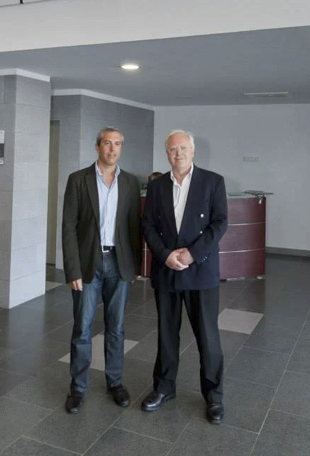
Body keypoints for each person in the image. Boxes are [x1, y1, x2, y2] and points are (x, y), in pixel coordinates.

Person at [141, 129, 228, 425]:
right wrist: (165, 254)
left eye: (183, 148)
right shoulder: (156, 187)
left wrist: (192, 254)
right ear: (167, 153)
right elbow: (148, 225)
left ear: (193, 151)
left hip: (200, 271)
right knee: (166, 334)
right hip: (166, 270)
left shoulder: (213, 181)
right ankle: (164, 388)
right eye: (172, 149)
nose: (178, 153)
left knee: (208, 336)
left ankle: (214, 396)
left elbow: (220, 223)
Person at [62, 127, 141, 414]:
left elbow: (134, 226)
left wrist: (134, 266)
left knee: (116, 328)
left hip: (119, 264)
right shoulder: (78, 180)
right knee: (82, 328)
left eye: (117, 144)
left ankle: (115, 383)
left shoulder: (130, 182)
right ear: (97, 146)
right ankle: (78, 388)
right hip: (87, 264)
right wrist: (72, 270)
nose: (112, 149)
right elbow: (68, 227)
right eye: (107, 143)